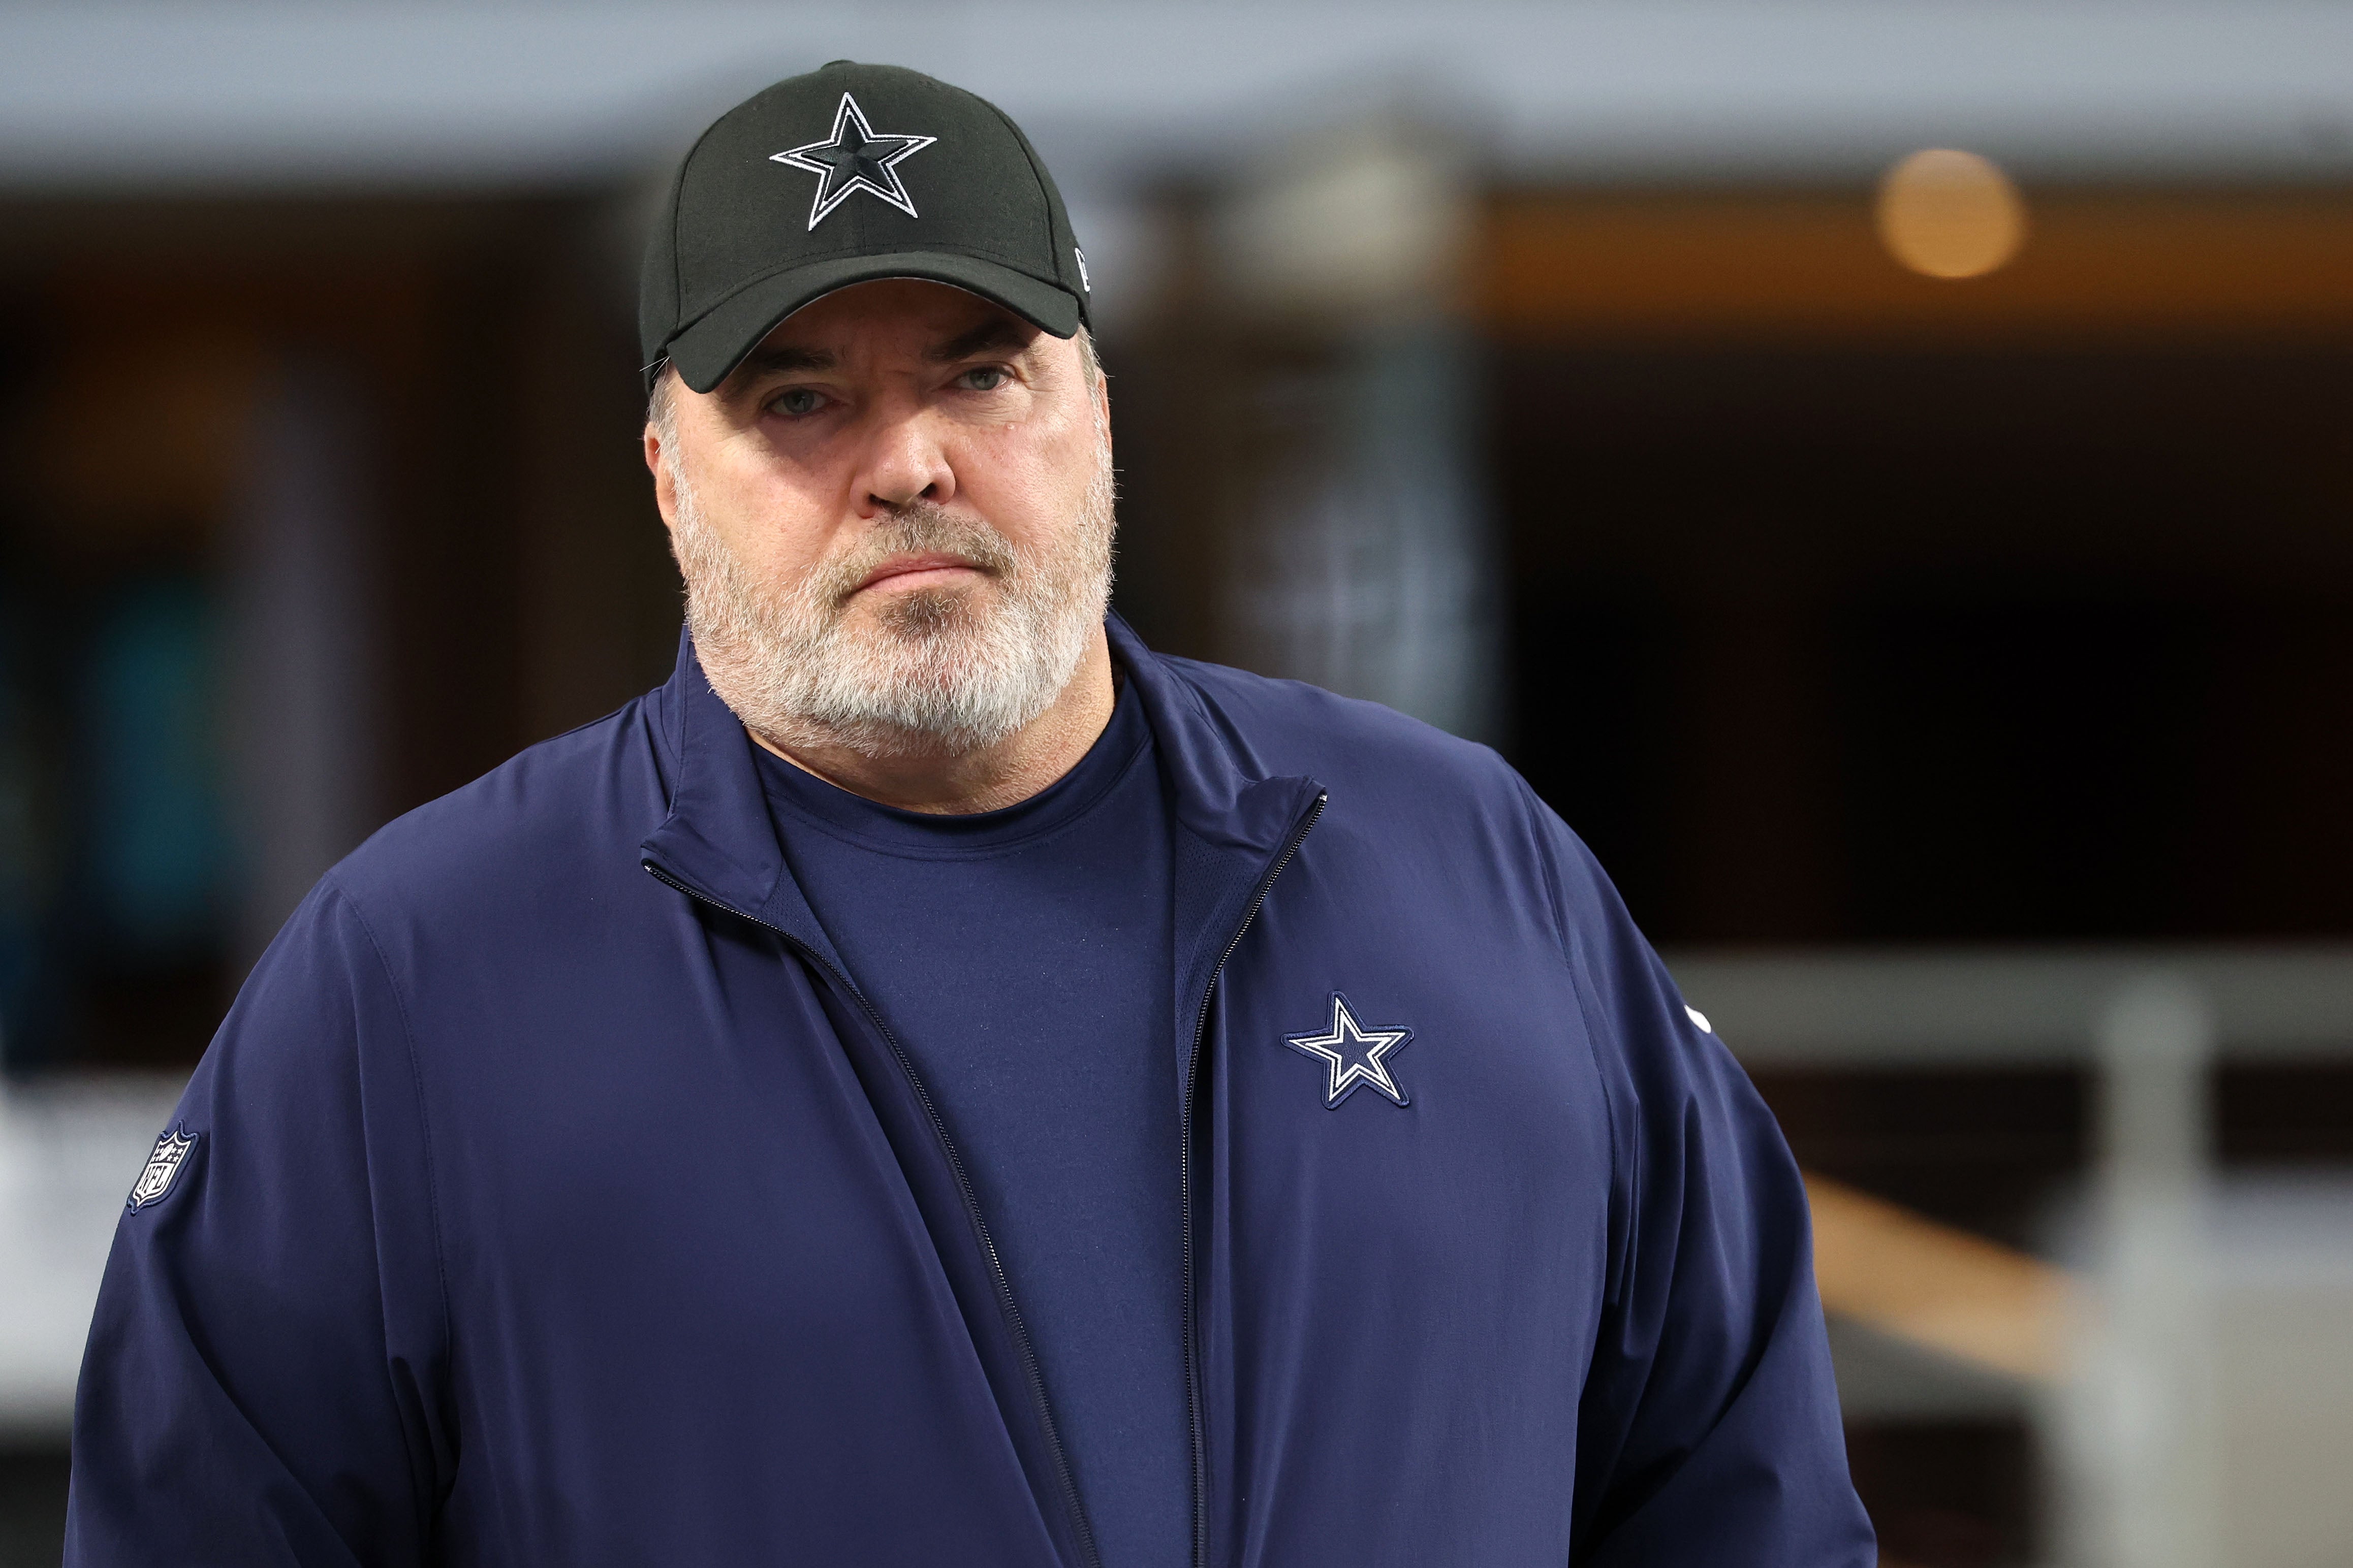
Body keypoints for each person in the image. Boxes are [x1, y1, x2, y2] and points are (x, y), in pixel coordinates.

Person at [66, 60, 1874, 1568]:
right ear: (666, 481)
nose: (912, 459)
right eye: (800, 396)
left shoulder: (1469, 867)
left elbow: (1742, 1494)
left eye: (980, 371)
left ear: (1093, 407)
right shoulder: (418, 977)